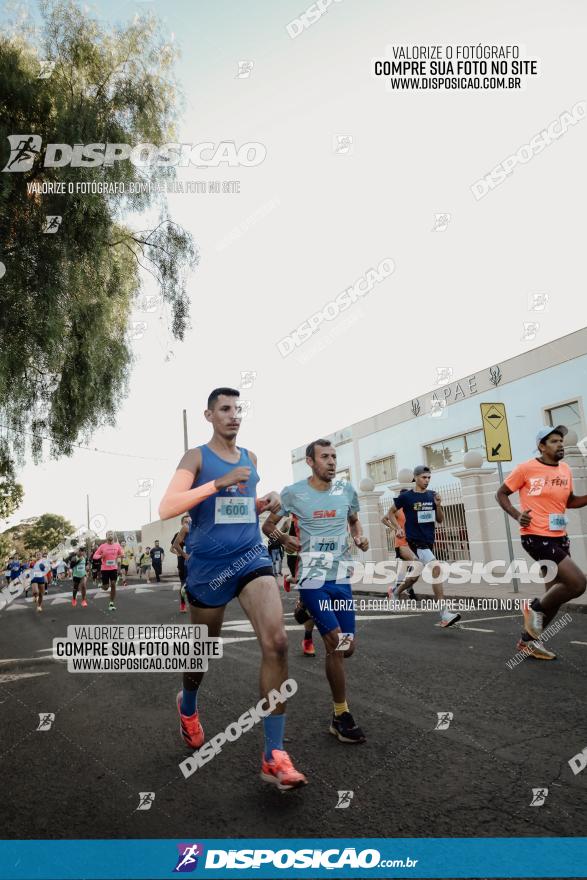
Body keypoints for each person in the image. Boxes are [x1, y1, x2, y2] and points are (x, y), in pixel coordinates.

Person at [159, 387, 307, 790]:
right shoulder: (196, 458)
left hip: (251, 559)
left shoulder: (251, 458)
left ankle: (274, 754)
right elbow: (168, 506)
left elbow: (237, 507)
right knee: (202, 655)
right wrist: (217, 482)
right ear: (209, 416)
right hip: (208, 567)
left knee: (277, 643)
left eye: (237, 409)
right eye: (224, 409)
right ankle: (187, 705)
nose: (233, 415)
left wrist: (264, 503)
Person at [263, 439, 370, 745]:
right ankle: (342, 714)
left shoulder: (346, 491)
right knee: (335, 642)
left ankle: (307, 612)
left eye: (334, 456)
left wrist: (359, 537)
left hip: (340, 578)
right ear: (310, 461)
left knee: (346, 648)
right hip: (311, 578)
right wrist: (284, 540)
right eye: (325, 457)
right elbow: (267, 526)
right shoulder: (293, 493)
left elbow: (353, 521)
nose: (332, 461)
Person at [496, 425, 587, 660]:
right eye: (555, 441)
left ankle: (528, 642)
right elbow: (501, 493)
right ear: (542, 446)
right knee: (577, 584)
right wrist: (517, 515)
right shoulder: (526, 468)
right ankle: (533, 608)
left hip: (560, 537)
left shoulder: (565, 469)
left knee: (554, 596)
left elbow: (571, 501)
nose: (560, 445)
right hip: (535, 536)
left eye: (561, 441)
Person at [383, 466, 460, 628]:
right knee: (436, 568)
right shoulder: (406, 497)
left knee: (414, 576)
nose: (427, 480)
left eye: (429, 478)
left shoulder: (432, 495)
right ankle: (444, 613)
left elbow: (439, 520)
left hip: (428, 540)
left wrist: (438, 505)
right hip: (414, 540)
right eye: (424, 477)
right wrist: (397, 528)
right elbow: (389, 514)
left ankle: (396, 592)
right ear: (416, 478)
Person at [382, 488, 420, 602]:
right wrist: (395, 529)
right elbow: (383, 519)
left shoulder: (412, 508)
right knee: (415, 561)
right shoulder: (397, 510)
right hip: (401, 542)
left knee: (404, 568)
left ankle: (395, 589)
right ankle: (407, 589)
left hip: (412, 541)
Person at [93, 532, 123, 612]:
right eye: (108, 534)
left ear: (113, 536)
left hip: (113, 568)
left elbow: (122, 554)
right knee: (106, 588)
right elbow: (94, 556)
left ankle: (111, 603)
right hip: (105, 569)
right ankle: (101, 586)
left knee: (113, 584)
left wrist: (120, 556)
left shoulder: (117, 545)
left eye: (111, 534)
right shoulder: (102, 546)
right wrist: (101, 556)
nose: (110, 535)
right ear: (106, 536)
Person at [171, 515, 191, 613]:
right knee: (184, 582)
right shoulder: (178, 534)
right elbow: (172, 548)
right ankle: (183, 604)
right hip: (182, 561)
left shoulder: (194, 533)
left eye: (189, 521)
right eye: (185, 522)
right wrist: (181, 554)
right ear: (182, 523)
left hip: (193, 561)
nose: (188, 523)